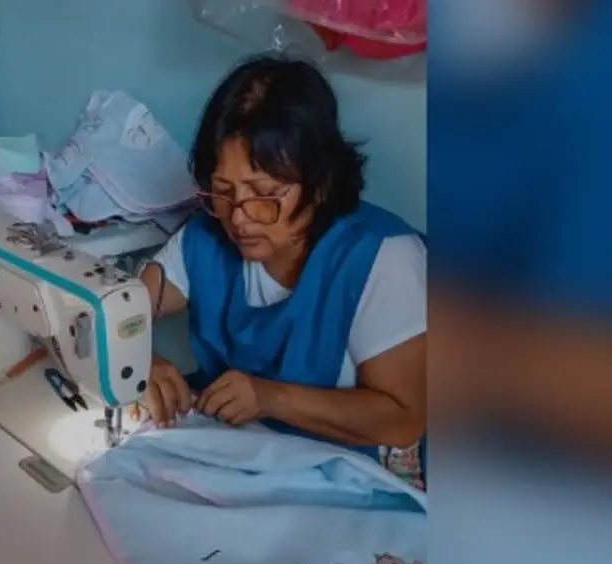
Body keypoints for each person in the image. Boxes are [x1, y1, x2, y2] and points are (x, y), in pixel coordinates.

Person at [137, 54, 427, 477]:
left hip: (357, 475)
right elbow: (118, 308)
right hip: (251, 454)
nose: (239, 216)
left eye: (264, 193)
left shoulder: (383, 259)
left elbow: (404, 418)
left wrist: (269, 398)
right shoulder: (206, 236)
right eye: (223, 191)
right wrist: (138, 356)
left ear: (321, 182)